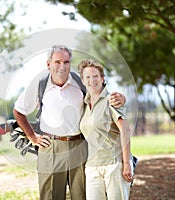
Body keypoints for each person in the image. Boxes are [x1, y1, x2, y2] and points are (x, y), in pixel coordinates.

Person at [13, 45, 126, 200]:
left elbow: (103, 94)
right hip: (50, 147)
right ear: (48, 64)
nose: (62, 66)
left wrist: (121, 98)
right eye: (57, 62)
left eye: (66, 62)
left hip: (79, 147)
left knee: (81, 195)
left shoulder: (81, 82)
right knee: (51, 196)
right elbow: (18, 111)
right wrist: (32, 137)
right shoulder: (40, 84)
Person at [78, 59, 133, 200]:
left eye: (95, 76)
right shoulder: (83, 104)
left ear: (102, 78)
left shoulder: (112, 100)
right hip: (91, 166)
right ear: (83, 81)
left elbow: (125, 130)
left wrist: (126, 164)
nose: (92, 80)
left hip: (114, 165)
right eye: (87, 77)